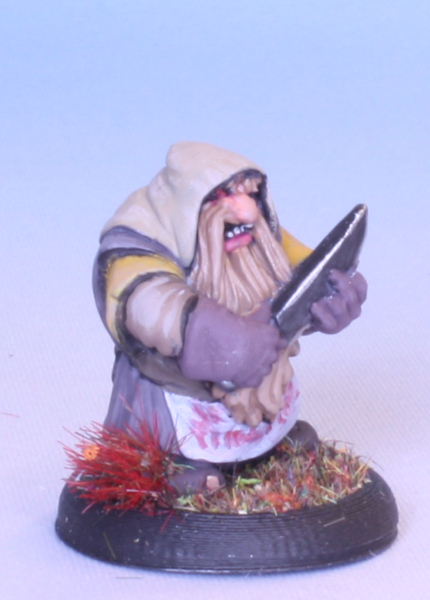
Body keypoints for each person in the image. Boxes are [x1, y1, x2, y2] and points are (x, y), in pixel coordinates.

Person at [93, 141, 367, 492]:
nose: (247, 213)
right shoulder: (141, 242)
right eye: (226, 197)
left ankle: (263, 443)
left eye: (251, 196)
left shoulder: (256, 230)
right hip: (177, 393)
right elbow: (144, 299)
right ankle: (174, 460)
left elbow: (305, 270)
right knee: (159, 422)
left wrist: (334, 294)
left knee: (276, 417)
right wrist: (216, 336)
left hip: (261, 384)